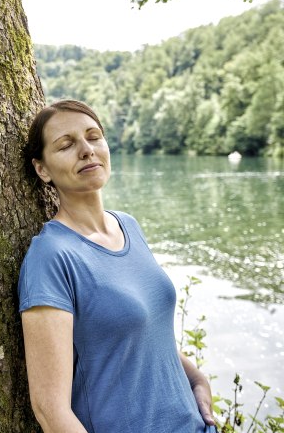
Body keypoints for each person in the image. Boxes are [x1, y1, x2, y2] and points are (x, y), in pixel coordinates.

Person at [18, 99, 217, 433]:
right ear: (43, 169)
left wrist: (196, 377)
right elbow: (50, 410)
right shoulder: (51, 257)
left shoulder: (129, 226)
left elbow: (140, 336)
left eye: (93, 137)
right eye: (66, 145)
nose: (86, 150)